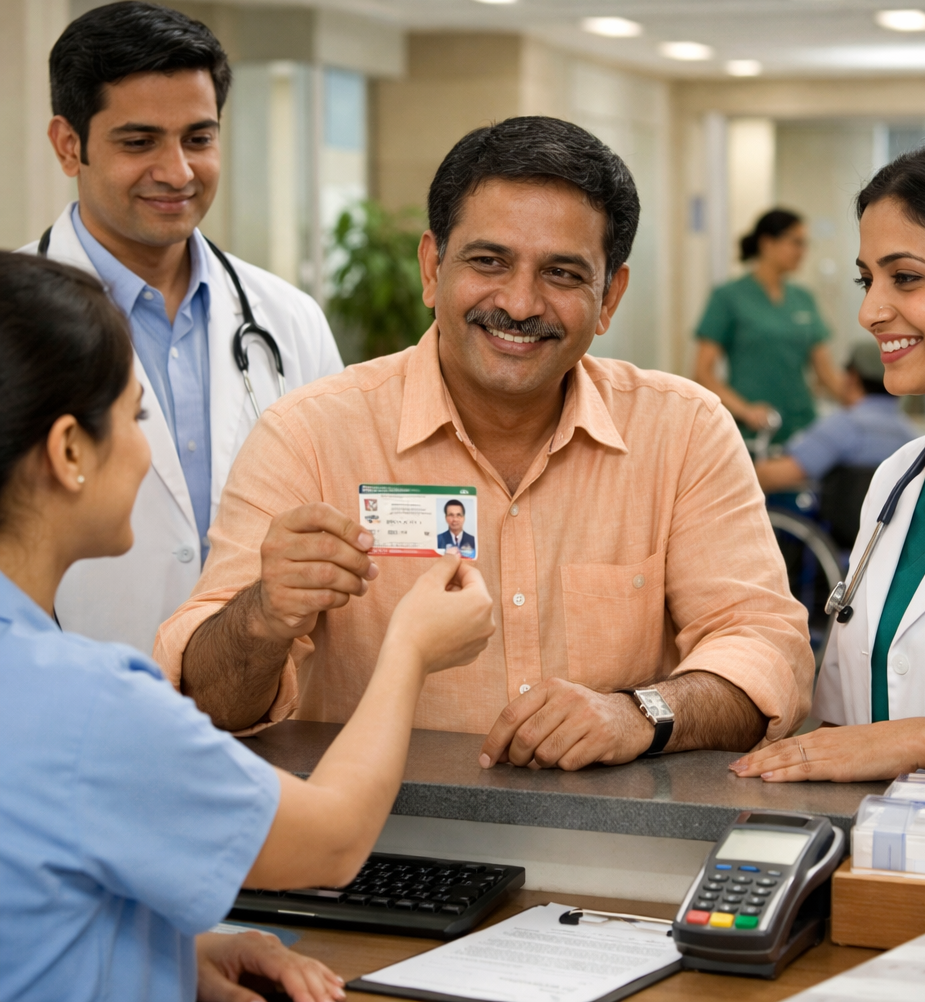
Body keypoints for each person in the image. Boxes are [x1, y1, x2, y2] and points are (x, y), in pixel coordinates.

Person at [154, 116, 813, 771]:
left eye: (561, 273)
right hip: (375, 845)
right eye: (489, 261)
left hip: (618, 844)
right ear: (431, 267)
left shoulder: (683, 432)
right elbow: (206, 704)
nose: (521, 304)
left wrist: (638, 713)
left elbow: (766, 652)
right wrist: (263, 616)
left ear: (610, 296)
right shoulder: (311, 438)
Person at [0, 253, 495, 1002]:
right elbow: (330, 842)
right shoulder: (84, 708)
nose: (145, 452)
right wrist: (410, 648)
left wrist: (168, 956)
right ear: (70, 450)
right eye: (137, 415)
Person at [20, 1, 342, 654]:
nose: (178, 172)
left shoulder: (288, 319)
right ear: (67, 144)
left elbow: (338, 506)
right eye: (139, 142)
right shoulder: (12, 315)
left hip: (264, 708)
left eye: (198, 138)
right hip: (63, 708)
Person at [731, 134, 925, 783]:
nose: (869, 311)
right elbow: (845, 727)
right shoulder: (898, 482)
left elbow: (894, 740)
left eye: (907, 278)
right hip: (875, 866)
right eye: (868, 280)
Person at [694, 209, 849, 444]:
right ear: (767, 243)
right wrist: (745, 410)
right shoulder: (728, 297)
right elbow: (703, 373)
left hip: (802, 427)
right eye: (796, 242)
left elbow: (825, 371)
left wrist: (864, 406)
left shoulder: (803, 299)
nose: (802, 251)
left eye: (806, 244)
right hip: (750, 432)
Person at [755, 341, 919, 493]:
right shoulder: (911, 435)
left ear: (852, 377)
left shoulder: (846, 425)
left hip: (835, 523)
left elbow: (773, 476)